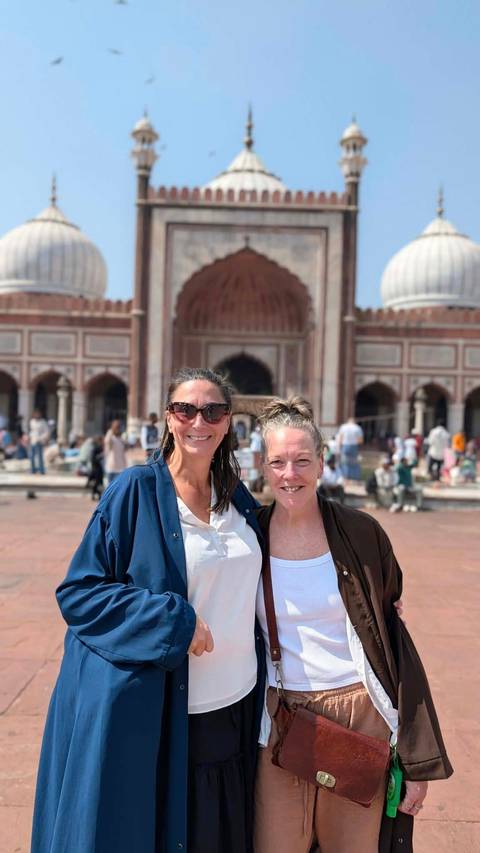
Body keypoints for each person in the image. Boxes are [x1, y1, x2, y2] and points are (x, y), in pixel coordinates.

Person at [31, 367, 264, 853]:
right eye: (186, 409)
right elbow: (79, 592)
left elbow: (285, 553)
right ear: (168, 419)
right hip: (155, 711)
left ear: (228, 423)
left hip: (230, 706)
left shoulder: (237, 499)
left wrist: (369, 583)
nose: (199, 421)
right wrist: (172, 621)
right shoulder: (135, 489)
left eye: (213, 410)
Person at [253, 397, 452, 853]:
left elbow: (391, 639)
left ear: (322, 463)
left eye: (303, 461)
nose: (291, 474)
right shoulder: (249, 536)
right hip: (281, 716)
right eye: (279, 462)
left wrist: (416, 763)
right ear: (263, 466)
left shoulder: (360, 534)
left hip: (359, 716)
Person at [337, 416, 363, 481]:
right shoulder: (357, 428)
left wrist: (339, 447)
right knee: (354, 462)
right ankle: (354, 478)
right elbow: (360, 440)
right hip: (354, 446)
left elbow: (340, 438)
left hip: (345, 445)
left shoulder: (343, 427)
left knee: (344, 462)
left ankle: (345, 478)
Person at [103, 418, 128, 483]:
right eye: (117, 427)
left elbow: (124, 451)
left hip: (121, 467)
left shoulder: (121, 439)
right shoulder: (111, 438)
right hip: (111, 467)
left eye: (119, 427)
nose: (118, 428)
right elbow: (106, 441)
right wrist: (111, 430)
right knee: (110, 488)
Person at [29, 410, 50, 474]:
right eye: (35, 414)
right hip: (33, 441)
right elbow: (32, 431)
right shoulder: (32, 421)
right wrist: (29, 437)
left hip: (40, 441)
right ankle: (33, 470)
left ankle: (41, 470)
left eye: (38, 414)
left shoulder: (43, 422)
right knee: (32, 456)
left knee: (40, 457)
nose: (36, 415)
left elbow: (47, 432)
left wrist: (41, 438)